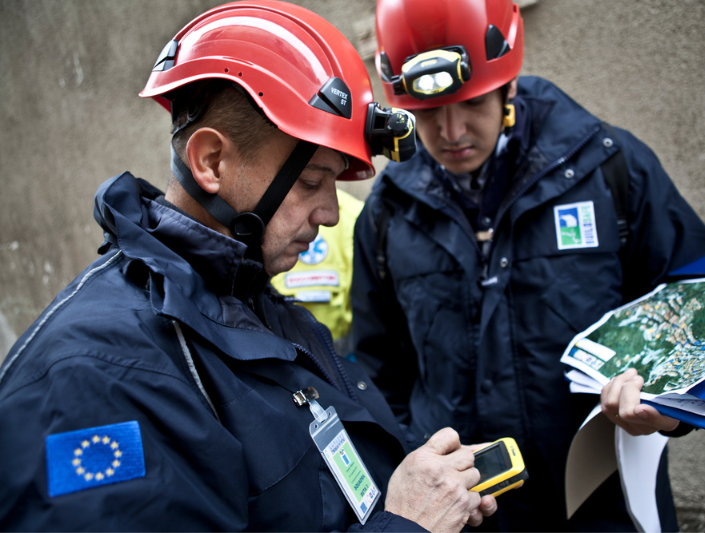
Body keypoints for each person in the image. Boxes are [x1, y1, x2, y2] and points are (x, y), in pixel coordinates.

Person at [0, 2, 496, 531]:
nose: (329, 214)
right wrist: (407, 524)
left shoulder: (247, 301)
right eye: (310, 183)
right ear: (212, 161)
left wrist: (426, 488)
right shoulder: (94, 381)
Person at [351, 0, 705, 531]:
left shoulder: (611, 169)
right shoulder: (387, 212)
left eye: (471, 103)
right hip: (467, 517)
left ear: (509, 86)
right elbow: (378, 370)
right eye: (428, 113)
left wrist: (671, 407)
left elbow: (704, 309)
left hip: (601, 507)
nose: (451, 131)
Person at [272, 189, 364, 358]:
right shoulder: (260, 208)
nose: (330, 217)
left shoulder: (355, 216)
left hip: (343, 364)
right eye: (310, 182)